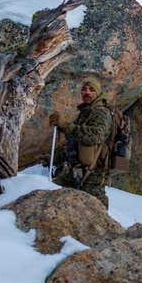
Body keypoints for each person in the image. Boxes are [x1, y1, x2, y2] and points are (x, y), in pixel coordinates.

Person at [48, 76, 113, 207]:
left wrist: (66, 126)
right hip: (74, 172)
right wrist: (52, 158)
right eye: (84, 89)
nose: (87, 92)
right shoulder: (82, 115)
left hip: (93, 177)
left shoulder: (102, 113)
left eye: (91, 89)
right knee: (49, 195)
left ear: (98, 92)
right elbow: (73, 148)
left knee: (95, 215)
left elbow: (95, 136)